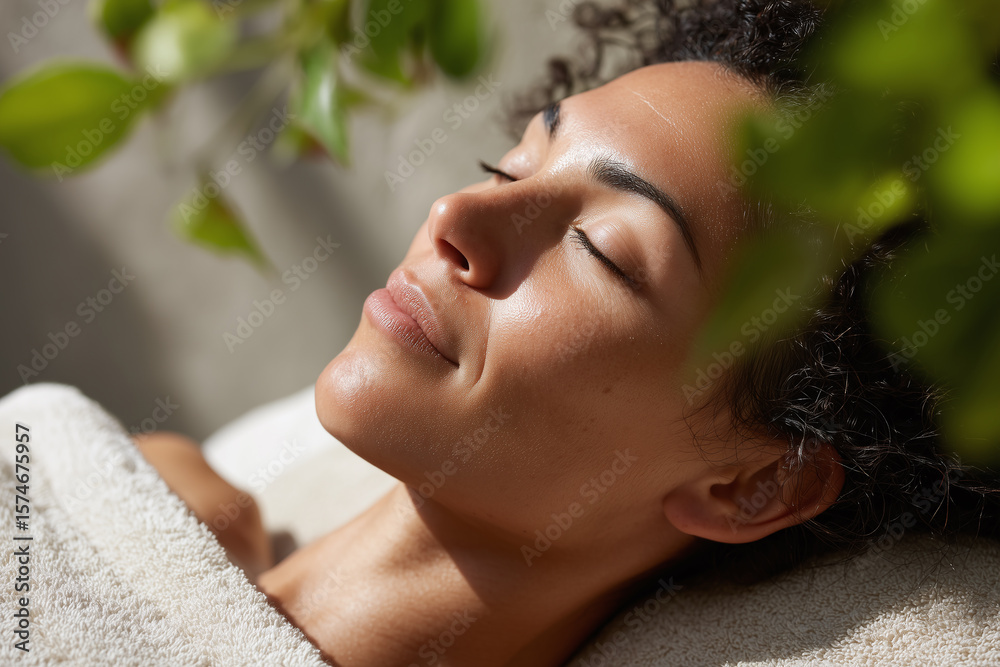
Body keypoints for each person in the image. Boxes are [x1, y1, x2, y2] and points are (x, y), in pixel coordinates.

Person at [135, 1, 1000, 665]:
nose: (454, 214)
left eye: (601, 252)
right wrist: (193, 515)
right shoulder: (177, 511)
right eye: (511, 165)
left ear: (758, 483)